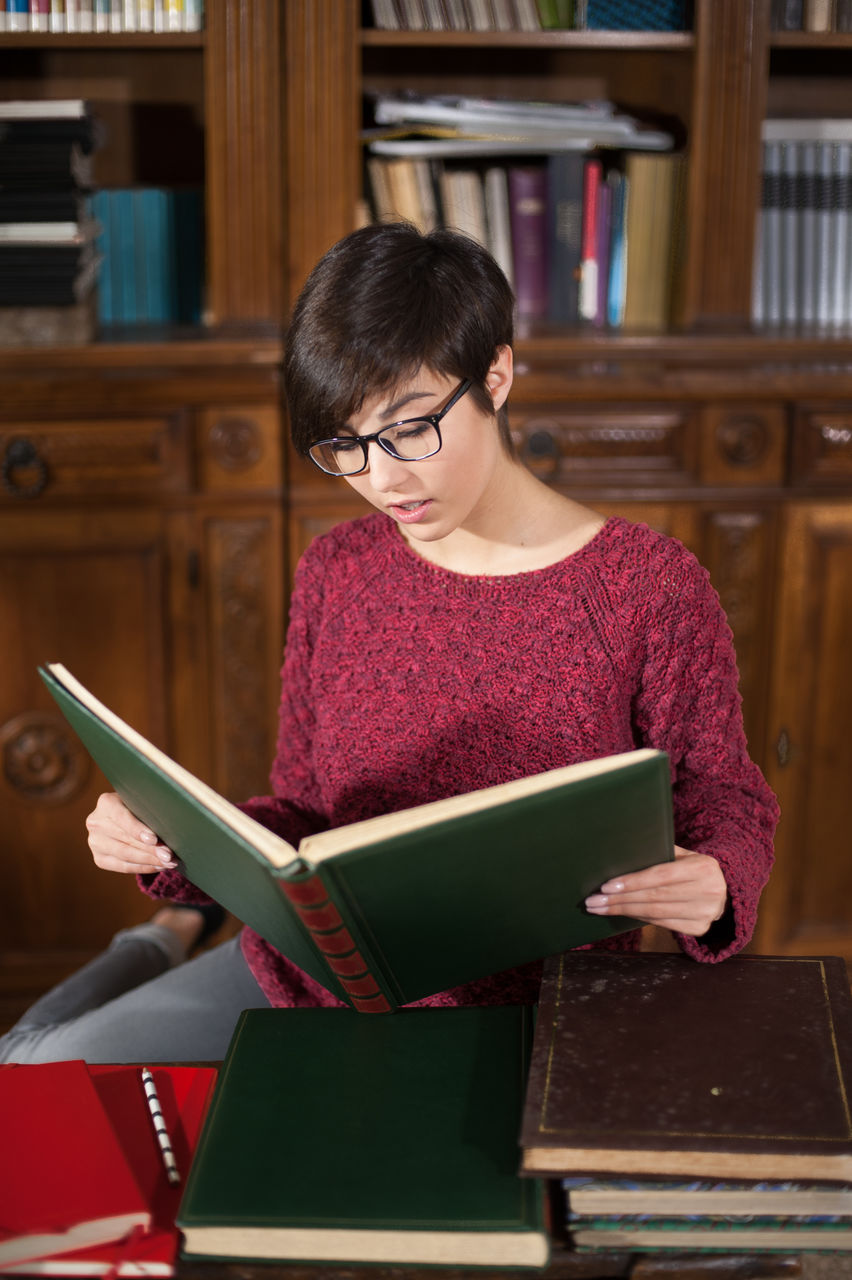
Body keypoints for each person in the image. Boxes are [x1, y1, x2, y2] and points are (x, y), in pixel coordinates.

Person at [0, 222, 779, 1065]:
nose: (382, 479)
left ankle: (165, 936)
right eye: (344, 443)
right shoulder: (338, 569)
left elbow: (725, 799)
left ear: (496, 376)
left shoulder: (646, 587)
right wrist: (166, 842)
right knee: (31, 1069)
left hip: (529, 1019)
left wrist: (719, 880)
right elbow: (299, 812)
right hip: (310, 978)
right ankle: (169, 924)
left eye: (410, 430)